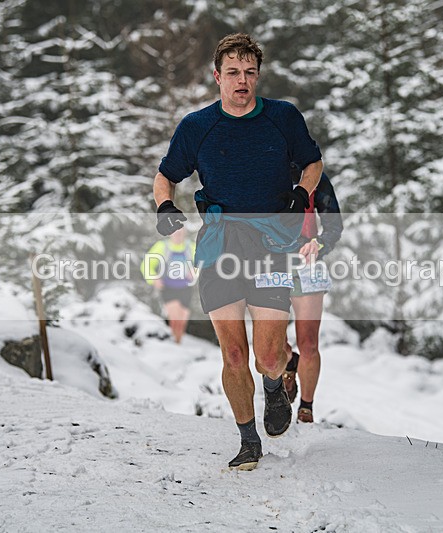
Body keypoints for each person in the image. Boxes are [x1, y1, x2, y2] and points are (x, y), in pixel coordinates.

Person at [152, 33, 323, 470]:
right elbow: (165, 177)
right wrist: (165, 206)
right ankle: (249, 440)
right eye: (233, 73)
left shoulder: (283, 118)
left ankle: (274, 381)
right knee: (231, 353)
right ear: (217, 77)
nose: (242, 81)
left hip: (272, 244)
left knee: (267, 355)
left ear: (258, 76)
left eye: (249, 72)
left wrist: (302, 194)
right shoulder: (197, 126)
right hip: (219, 243)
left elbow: (313, 162)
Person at [282, 167, 343, 424]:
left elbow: (333, 225)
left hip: (307, 264)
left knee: (308, 343)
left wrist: (319, 244)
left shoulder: (316, 177)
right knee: (272, 344)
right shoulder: (260, 168)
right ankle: (288, 363)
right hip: (268, 263)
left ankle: (306, 409)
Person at [141, 227, 197, 344]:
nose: (178, 235)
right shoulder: (162, 246)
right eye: (176, 232)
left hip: (186, 288)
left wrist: (194, 271)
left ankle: (178, 340)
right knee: (175, 316)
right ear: (170, 233)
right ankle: (175, 342)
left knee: (182, 318)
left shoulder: (191, 247)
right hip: (168, 287)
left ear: (185, 233)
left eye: (181, 233)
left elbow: (203, 262)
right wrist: (153, 278)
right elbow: (146, 264)